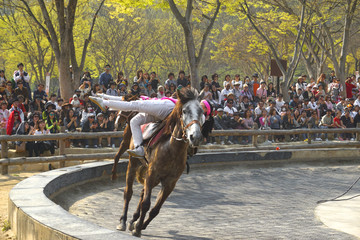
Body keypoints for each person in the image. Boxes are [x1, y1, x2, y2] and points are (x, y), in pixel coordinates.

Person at [89, 89, 207, 158]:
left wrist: (105, 100)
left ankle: (104, 103)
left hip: (166, 108)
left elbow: (126, 101)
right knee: (134, 120)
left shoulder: (150, 101)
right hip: (163, 113)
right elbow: (122, 99)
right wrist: (103, 95)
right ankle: (139, 148)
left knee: (134, 105)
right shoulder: (143, 98)